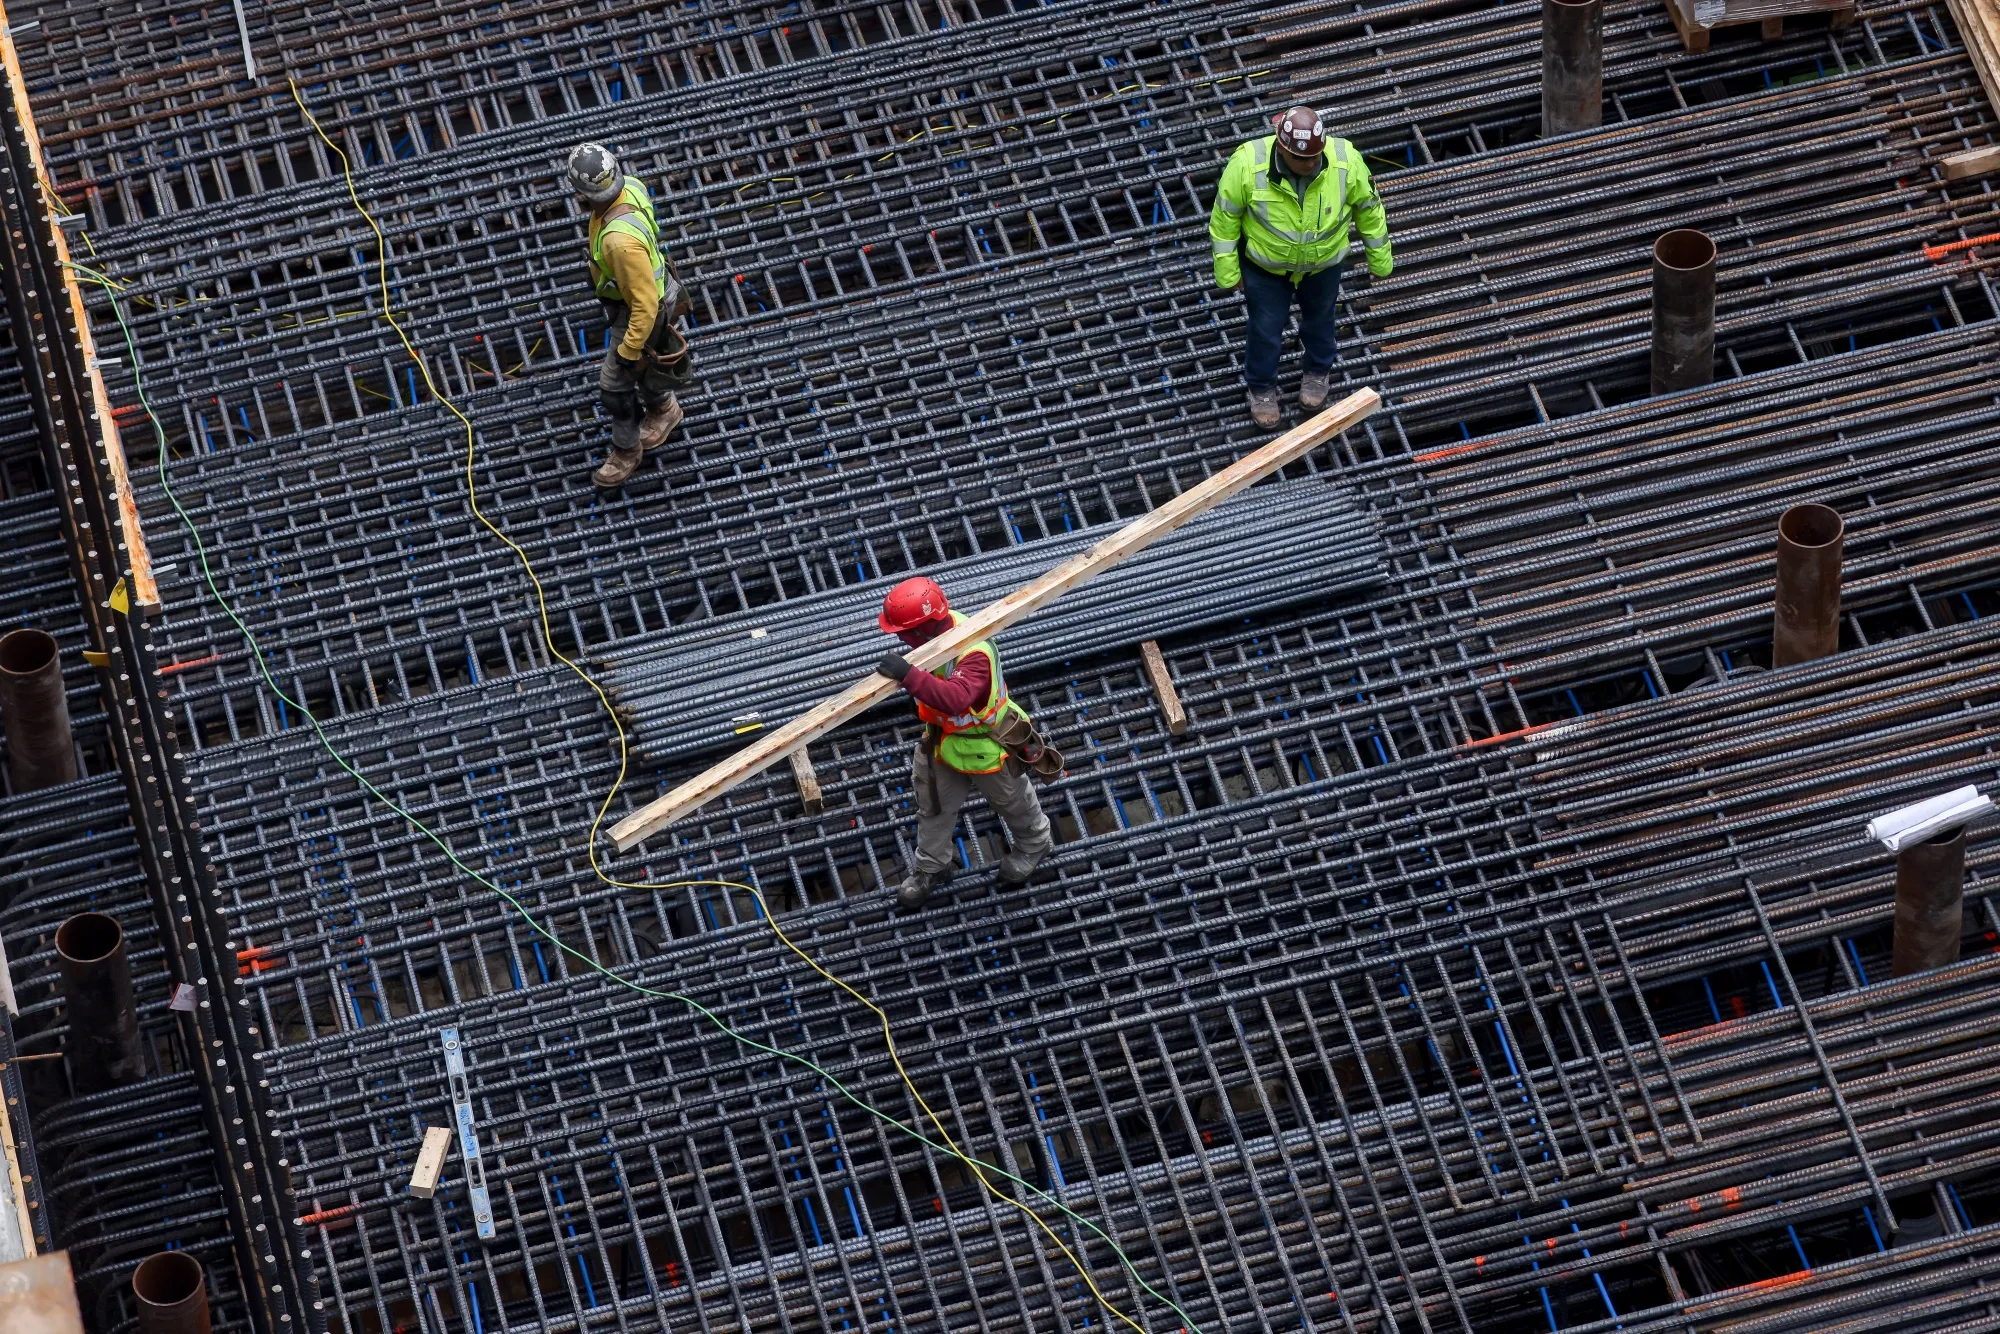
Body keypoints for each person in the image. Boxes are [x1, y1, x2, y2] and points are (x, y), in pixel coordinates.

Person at [872, 577, 1055, 910]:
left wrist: (909, 676)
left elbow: (956, 699)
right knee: (933, 807)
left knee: (1011, 801)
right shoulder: (933, 638)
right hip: (943, 742)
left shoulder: (973, 651)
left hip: (987, 742)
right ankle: (932, 867)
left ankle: (1034, 844)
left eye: (902, 632)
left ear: (922, 628)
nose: (899, 638)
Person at [1208, 106, 1393, 429]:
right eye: (1301, 159)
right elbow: (1225, 220)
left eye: (1314, 157)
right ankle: (1262, 389)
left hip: (1322, 266)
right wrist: (1229, 272)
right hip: (1266, 269)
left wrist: (1379, 259)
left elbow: (1370, 210)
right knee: (1265, 330)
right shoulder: (1247, 164)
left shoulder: (1345, 161)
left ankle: (1317, 373)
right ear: (1282, 148)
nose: (1310, 164)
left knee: (1321, 322)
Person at [566, 143, 694, 488]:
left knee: (614, 387)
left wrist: (628, 350)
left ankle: (626, 450)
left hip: (644, 310)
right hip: (657, 291)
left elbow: (644, 305)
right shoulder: (632, 186)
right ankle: (664, 411)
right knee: (647, 366)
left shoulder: (618, 243)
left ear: (581, 192)